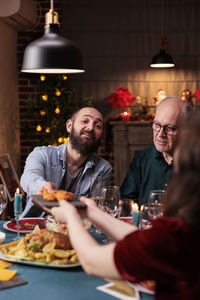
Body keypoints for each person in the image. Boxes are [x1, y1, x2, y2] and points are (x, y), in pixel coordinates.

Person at [51, 109, 200, 299]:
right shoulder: (180, 232)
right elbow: (145, 240)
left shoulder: (177, 236)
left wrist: (71, 216)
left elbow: (91, 261)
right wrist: (92, 213)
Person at [20, 107, 112, 217]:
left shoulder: (103, 168)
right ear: (69, 126)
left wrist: (102, 210)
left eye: (98, 126)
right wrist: (43, 186)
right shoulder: (42, 154)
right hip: (35, 229)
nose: (90, 128)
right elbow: (28, 178)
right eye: (85, 121)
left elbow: (95, 208)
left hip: (77, 229)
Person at [120, 96, 192, 206]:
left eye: (170, 128)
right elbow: (126, 202)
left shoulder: (194, 163)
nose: (160, 134)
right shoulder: (141, 159)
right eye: (157, 125)